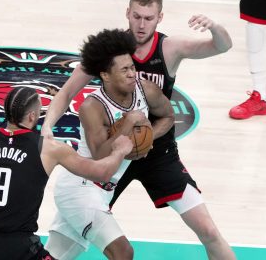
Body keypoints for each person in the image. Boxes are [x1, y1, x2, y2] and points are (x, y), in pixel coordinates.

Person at [42, 0, 235, 260]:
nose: (142, 24)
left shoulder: (169, 48)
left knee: (208, 230)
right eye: (137, 16)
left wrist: (214, 26)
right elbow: (67, 92)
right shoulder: (108, 52)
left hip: (158, 152)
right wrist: (48, 125)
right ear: (127, 14)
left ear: (160, 18)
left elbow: (223, 46)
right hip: (113, 156)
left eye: (149, 18)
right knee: (65, 244)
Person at [0, 86, 133, 260]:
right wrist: (120, 151)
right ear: (32, 116)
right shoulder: (49, 149)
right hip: (18, 247)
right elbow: (101, 173)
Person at [45, 29, 175, 260]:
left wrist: (146, 137)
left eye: (132, 67)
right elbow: (100, 156)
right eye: (124, 69)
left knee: (54, 256)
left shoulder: (145, 90)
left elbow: (168, 116)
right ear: (105, 75)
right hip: (80, 186)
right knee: (123, 252)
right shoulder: (92, 107)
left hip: (104, 190)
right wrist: (128, 125)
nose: (132, 73)